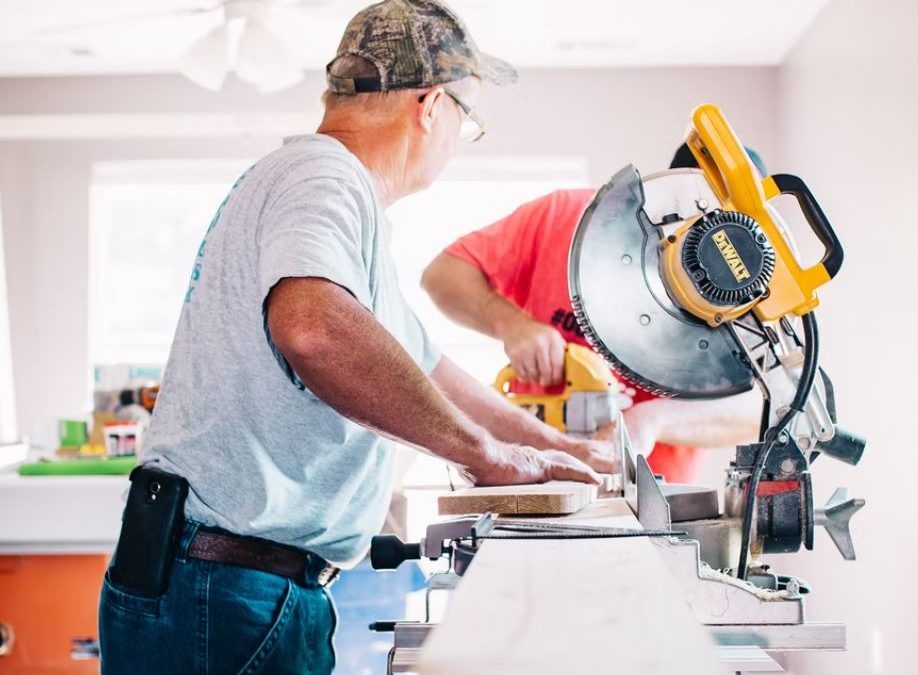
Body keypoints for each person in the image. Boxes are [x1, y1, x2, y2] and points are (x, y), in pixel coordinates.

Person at [98, 2, 616, 673]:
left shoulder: (331, 199)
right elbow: (313, 329)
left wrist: (547, 446)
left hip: (223, 581)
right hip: (224, 589)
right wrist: (482, 452)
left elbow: (426, 365)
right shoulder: (325, 176)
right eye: (469, 119)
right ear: (431, 105)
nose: (461, 138)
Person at [421, 144, 767, 483]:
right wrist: (511, 324)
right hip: (530, 472)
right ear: (666, 187)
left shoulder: (747, 293)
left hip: (651, 494)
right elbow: (443, 274)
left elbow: (762, 409)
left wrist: (652, 419)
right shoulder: (565, 217)